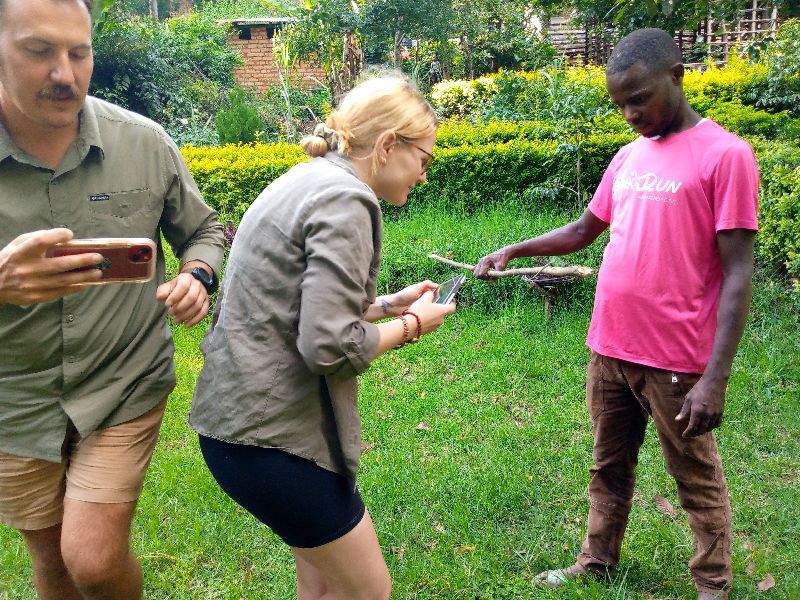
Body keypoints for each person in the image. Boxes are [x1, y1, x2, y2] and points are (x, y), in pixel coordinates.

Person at [474, 28, 758, 600]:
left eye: (639, 99)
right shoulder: (628, 156)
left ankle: (713, 583)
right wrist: (516, 249)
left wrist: (715, 378)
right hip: (610, 347)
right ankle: (596, 561)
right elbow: (585, 230)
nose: (629, 114)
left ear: (677, 77)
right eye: (620, 104)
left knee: (694, 478)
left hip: (676, 359)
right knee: (607, 466)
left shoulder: (727, 155)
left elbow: (738, 274)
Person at [189, 74, 455, 600]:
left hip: (234, 432)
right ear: (387, 146)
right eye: (423, 159)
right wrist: (412, 325)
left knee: (320, 585)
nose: (424, 176)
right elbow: (329, 346)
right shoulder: (347, 200)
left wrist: (386, 304)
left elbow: (295, 306)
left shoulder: (307, 178)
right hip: (273, 443)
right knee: (367, 591)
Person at [0, 0, 225, 598]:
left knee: (93, 559)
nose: (65, 74)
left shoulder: (143, 144)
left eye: (79, 52)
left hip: (123, 381)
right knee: (51, 564)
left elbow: (203, 230)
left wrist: (198, 276)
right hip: (13, 401)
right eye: (39, 51)